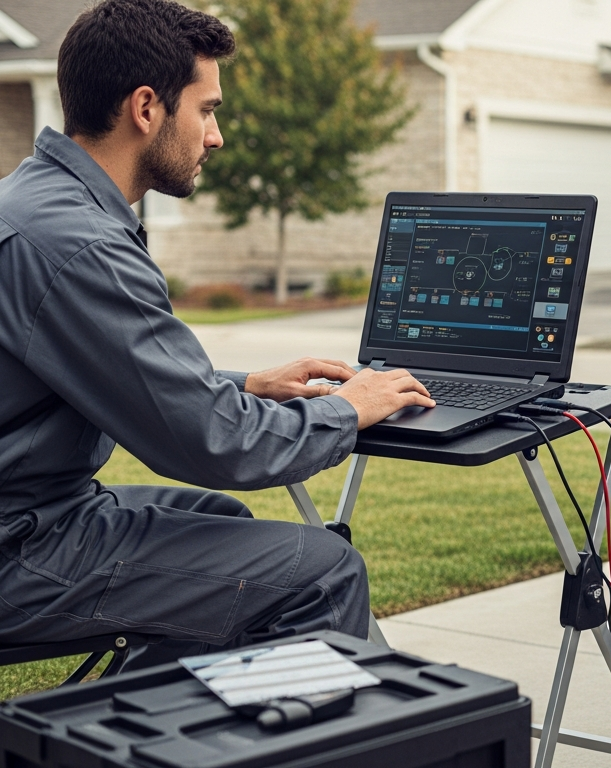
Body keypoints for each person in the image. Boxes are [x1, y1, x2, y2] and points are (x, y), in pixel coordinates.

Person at [0, 0, 435, 668]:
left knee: (220, 521)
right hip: (22, 547)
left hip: (38, 508)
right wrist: (348, 409)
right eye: (206, 110)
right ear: (146, 108)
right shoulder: (79, 244)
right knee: (323, 571)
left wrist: (247, 385)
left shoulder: (35, 202)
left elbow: (109, 372)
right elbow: (213, 442)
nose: (216, 136)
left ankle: (153, 714)